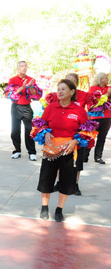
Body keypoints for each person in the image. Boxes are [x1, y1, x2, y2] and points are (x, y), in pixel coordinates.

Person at [30, 79, 97, 222]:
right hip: (50, 149)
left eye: (63, 89)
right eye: (58, 89)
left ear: (72, 92)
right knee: (46, 178)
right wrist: (45, 132)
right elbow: (40, 125)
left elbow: (87, 131)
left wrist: (74, 141)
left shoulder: (79, 110)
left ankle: (59, 209)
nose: (59, 92)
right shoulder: (50, 107)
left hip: (68, 150)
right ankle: (44, 207)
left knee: (66, 181)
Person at [4, 61, 42, 160]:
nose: (24, 68)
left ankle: (32, 152)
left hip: (27, 107)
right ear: (17, 68)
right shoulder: (13, 79)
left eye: (25, 66)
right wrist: (22, 87)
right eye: (21, 66)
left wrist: (29, 86)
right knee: (15, 131)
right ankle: (17, 150)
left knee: (29, 131)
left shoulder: (31, 79)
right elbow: (10, 94)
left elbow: (34, 94)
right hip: (16, 107)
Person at [85, 72, 111, 164]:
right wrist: (107, 95)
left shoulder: (109, 88)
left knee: (102, 137)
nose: (107, 80)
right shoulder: (93, 88)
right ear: (100, 79)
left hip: (108, 116)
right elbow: (94, 101)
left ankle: (98, 157)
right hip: (95, 116)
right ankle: (85, 155)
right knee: (91, 136)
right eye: (105, 78)